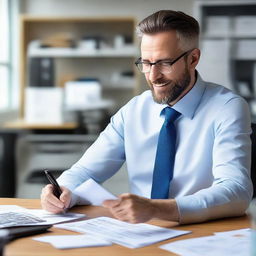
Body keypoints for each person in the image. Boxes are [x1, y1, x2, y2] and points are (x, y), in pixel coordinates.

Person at [41, 10, 253, 224]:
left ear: (193, 59)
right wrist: (62, 189)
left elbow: (237, 190)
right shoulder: (134, 110)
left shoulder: (227, 107)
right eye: (146, 63)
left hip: (201, 232)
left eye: (165, 63)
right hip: (141, 234)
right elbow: (85, 170)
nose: (153, 76)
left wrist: (157, 209)